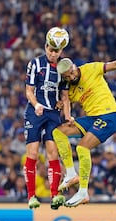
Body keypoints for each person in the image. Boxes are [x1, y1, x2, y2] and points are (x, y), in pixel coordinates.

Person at [52, 53, 116, 207]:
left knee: (82, 147)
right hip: (93, 118)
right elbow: (65, 101)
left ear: (75, 67)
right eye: (67, 77)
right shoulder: (70, 88)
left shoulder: (90, 68)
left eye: (72, 72)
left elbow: (114, 64)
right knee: (58, 132)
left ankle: (83, 192)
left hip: (109, 116)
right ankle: (71, 173)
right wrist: (60, 104)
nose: (72, 77)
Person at [23, 27, 71, 209]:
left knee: (53, 153)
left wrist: (68, 116)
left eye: (56, 51)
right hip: (35, 112)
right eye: (50, 49)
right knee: (33, 153)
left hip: (52, 114)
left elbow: (65, 96)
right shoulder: (35, 64)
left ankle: (54, 195)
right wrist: (36, 104)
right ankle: (31, 196)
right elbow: (29, 90)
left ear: (61, 51)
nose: (52, 53)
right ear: (45, 47)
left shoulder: (64, 68)